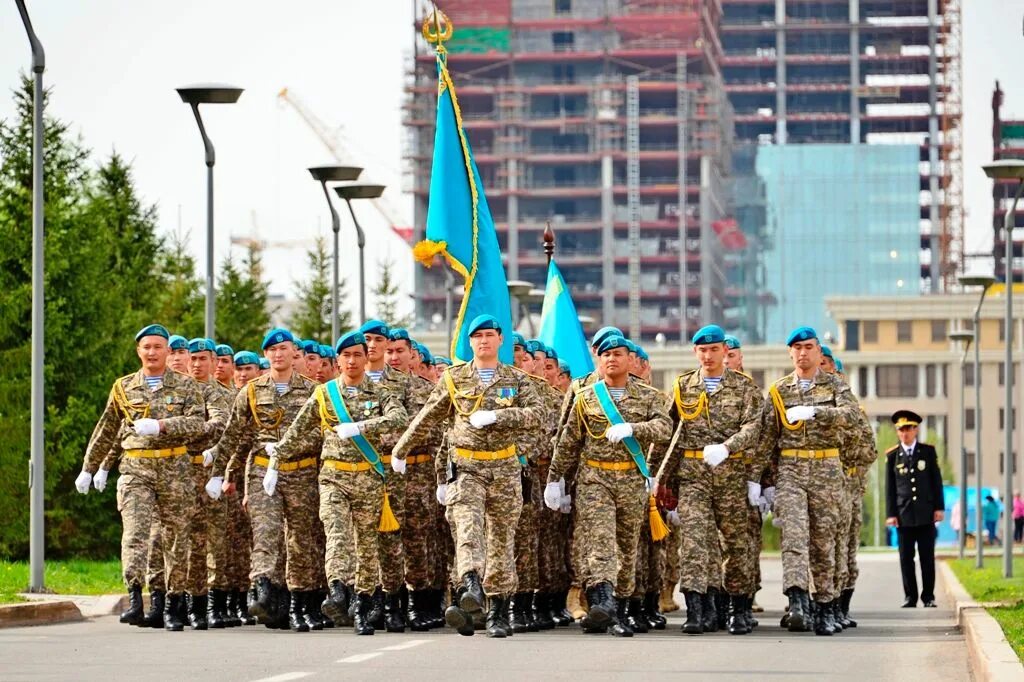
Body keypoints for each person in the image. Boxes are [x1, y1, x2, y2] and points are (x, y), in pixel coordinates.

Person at [394, 314, 543, 638]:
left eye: (490, 334)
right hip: (467, 469)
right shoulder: (454, 378)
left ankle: (499, 612)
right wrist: (400, 450)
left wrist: (498, 416)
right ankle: (471, 584)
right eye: (478, 336)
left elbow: (537, 415)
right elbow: (428, 417)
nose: (484, 341)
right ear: (470, 342)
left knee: (501, 541)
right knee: (468, 529)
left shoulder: (517, 380)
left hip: (504, 469)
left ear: (500, 339)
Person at [75, 324, 207, 632]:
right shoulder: (124, 387)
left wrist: (162, 426)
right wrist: (89, 466)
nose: (152, 352)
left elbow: (198, 424)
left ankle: (173, 604)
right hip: (136, 469)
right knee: (135, 534)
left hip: (175, 469)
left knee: (175, 539)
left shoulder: (187, 386)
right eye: (147, 347)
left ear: (167, 351)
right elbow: (107, 427)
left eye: (158, 347)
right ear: (139, 351)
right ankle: (136, 597)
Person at [547, 334, 673, 637]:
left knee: (627, 547)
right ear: (598, 360)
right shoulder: (586, 398)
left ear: (629, 359)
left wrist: (634, 428)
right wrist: (555, 479)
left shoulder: (648, 396)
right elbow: (569, 441)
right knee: (600, 542)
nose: (611, 359)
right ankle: (602, 601)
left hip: (631, 479)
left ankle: (618, 607)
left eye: (617, 353)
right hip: (595, 479)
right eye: (605, 355)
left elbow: (665, 428)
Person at [656, 325, 763, 636]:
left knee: (735, 543)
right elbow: (668, 433)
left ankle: (739, 608)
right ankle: (698, 609)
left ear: (724, 352)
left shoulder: (744, 388)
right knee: (693, 543)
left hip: (730, 474)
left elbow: (753, 427)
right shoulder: (683, 386)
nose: (708, 355)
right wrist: (656, 475)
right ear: (695, 353)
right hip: (693, 476)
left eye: (714, 350)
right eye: (702, 350)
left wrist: (728, 447)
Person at [756, 326, 858, 636]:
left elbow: (852, 415)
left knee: (823, 542)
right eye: (797, 347)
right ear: (790, 352)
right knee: (794, 539)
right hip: (791, 469)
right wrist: (760, 482)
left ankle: (824, 605)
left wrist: (816, 412)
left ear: (818, 351)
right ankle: (798, 600)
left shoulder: (835, 386)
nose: (803, 352)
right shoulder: (778, 391)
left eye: (809, 347)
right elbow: (767, 439)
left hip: (827, 469)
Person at [885, 410, 944, 608]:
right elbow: (890, 488)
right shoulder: (893, 456)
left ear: (915, 429)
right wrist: (891, 514)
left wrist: (939, 508)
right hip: (904, 515)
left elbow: (936, 482)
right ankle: (910, 597)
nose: (905, 433)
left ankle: (928, 596)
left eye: (908, 429)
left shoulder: (927, 452)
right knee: (906, 559)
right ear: (897, 431)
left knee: (927, 557)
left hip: (926, 514)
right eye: (901, 429)